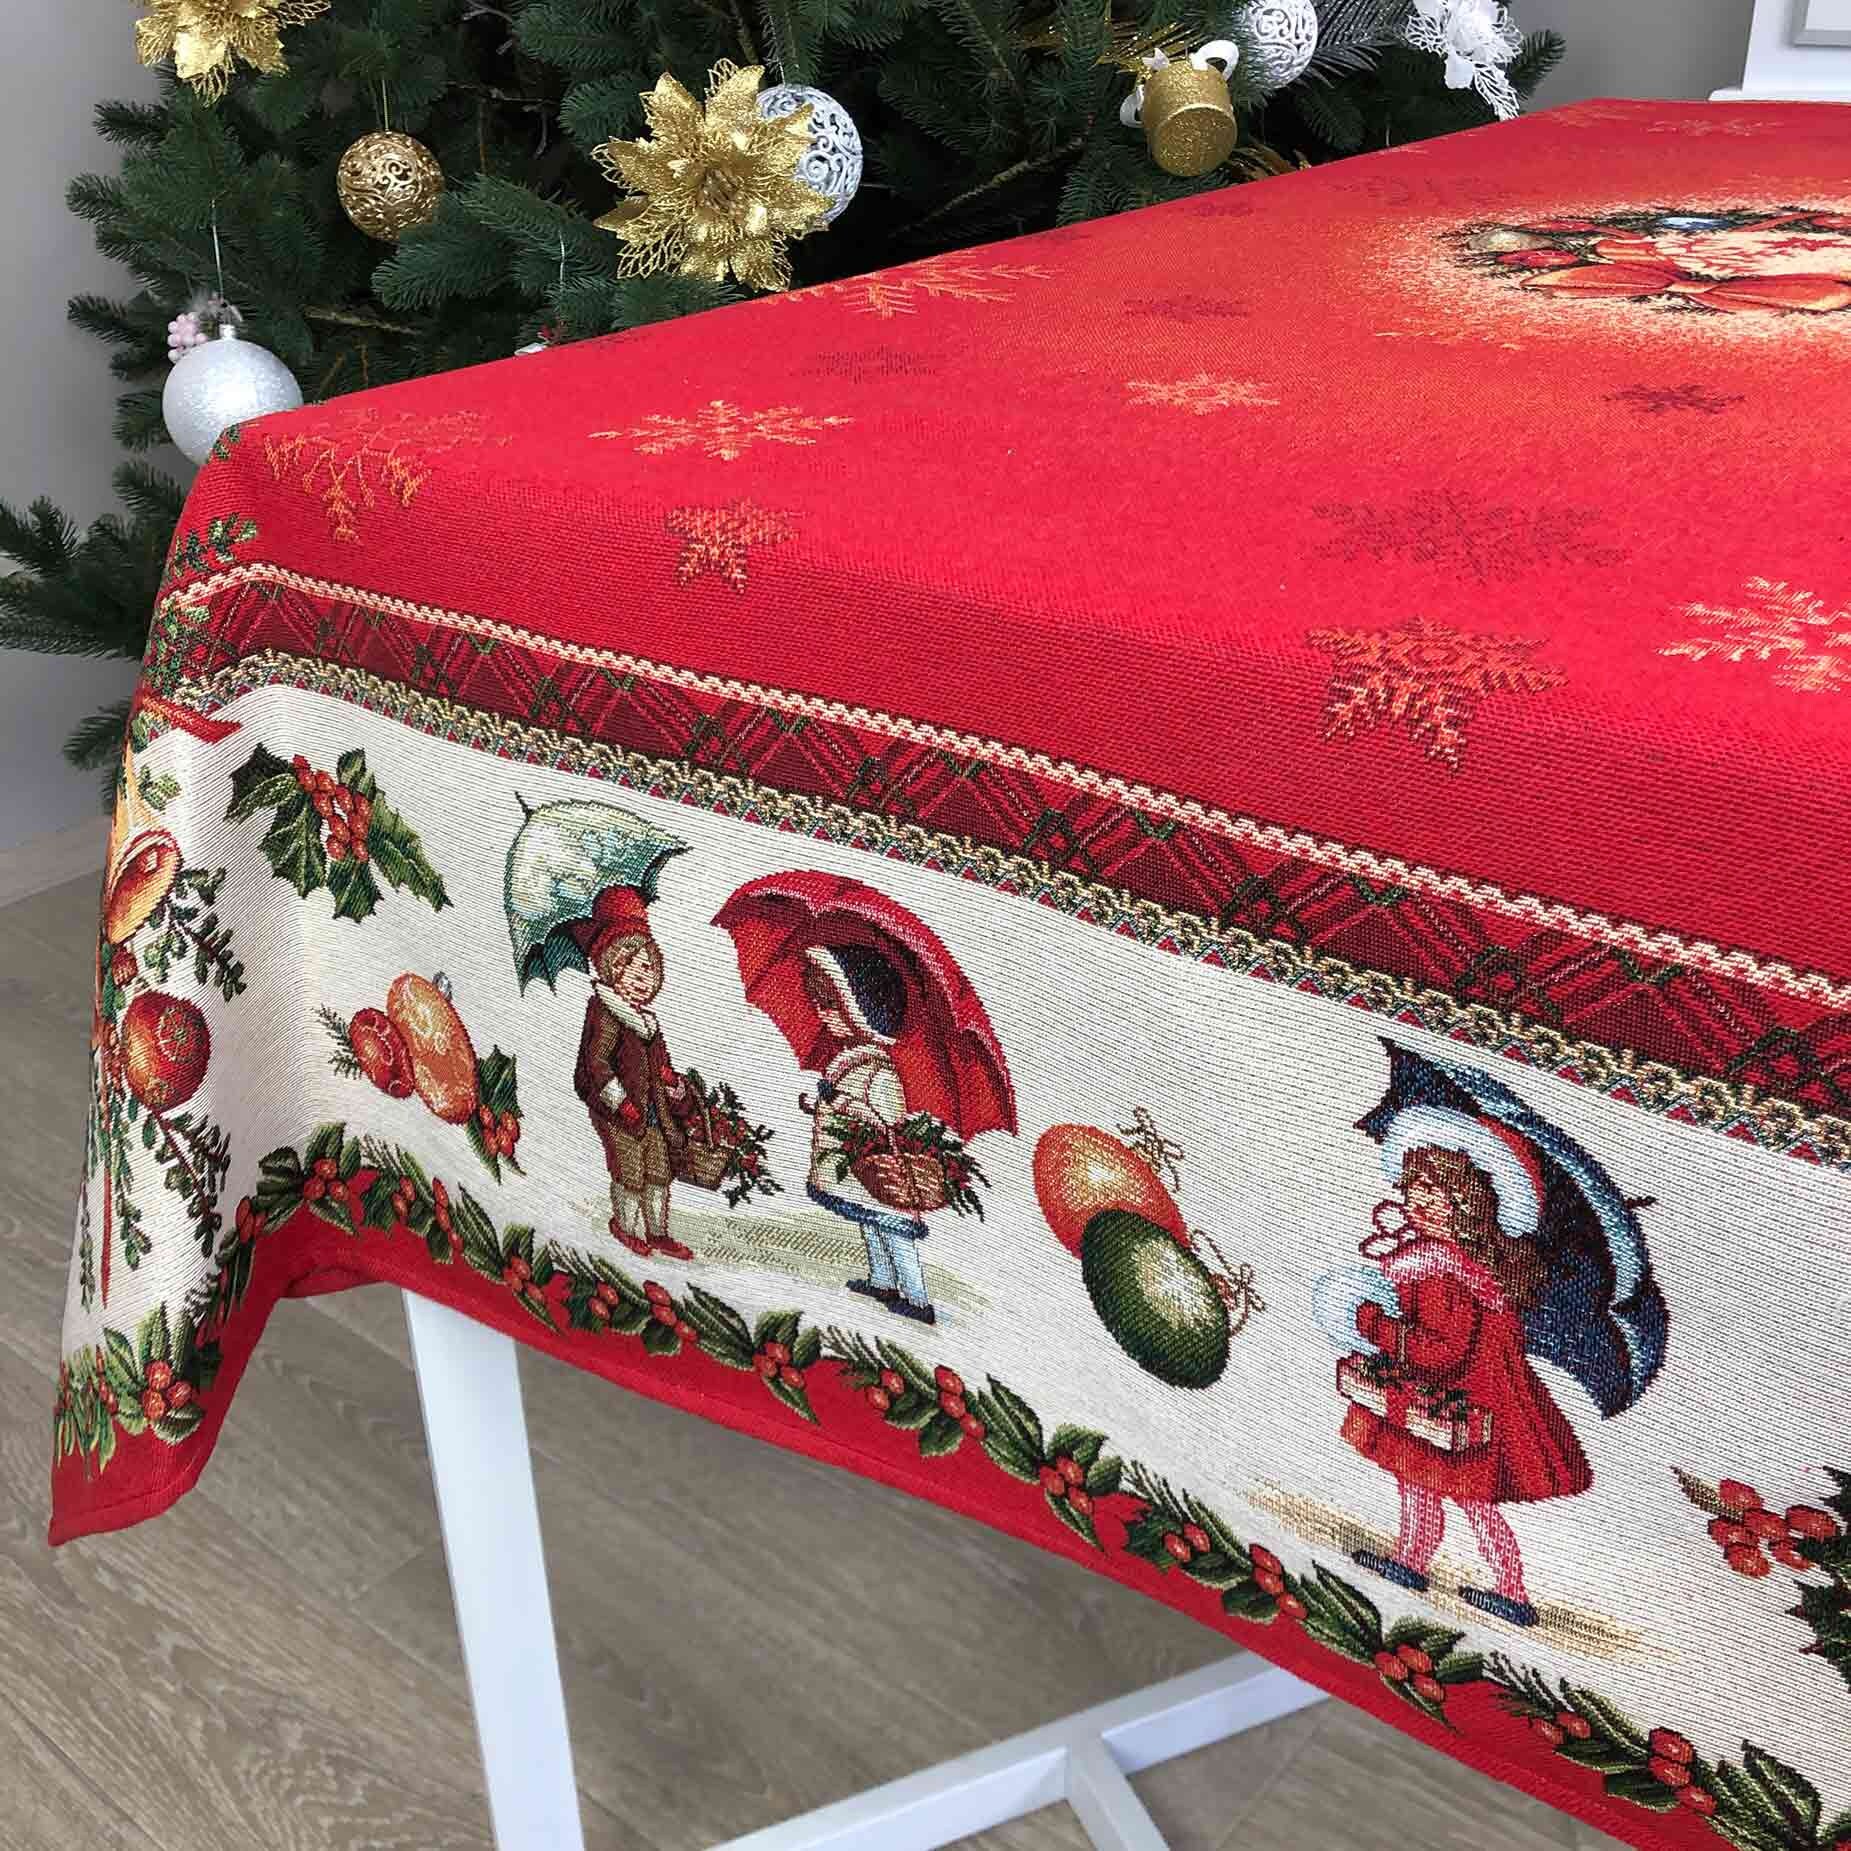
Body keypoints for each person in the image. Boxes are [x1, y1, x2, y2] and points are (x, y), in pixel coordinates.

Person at [1342, 1116, 1591, 1629]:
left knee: (1469, 1499)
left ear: (1466, 1205)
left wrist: (1376, 1327)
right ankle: (1410, 1562)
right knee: (1420, 1484)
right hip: (1446, 1399)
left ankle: (1511, 1593)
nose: (1416, 1202)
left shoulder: (1442, 1272)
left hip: (1461, 1401)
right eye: (1412, 1190)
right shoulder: (1451, 1264)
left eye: (1432, 1193)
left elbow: (1440, 1350)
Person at [801, 943, 938, 1324]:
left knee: (894, 1232)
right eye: (820, 1002)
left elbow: (889, 1121)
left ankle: (915, 1297)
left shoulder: (881, 1070)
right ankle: (881, 1281)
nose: (823, 1013)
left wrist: (850, 1108)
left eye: (831, 1003)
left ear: (862, 1010)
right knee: (870, 1224)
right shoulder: (849, 1060)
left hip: (879, 1170)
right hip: (856, 1172)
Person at [573, 886, 695, 1260]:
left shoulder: (647, 1023)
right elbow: (597, 1064)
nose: (646, 977)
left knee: (659, 1169)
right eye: (637, 967)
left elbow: (661, 1067)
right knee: (630, 1169)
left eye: (651, 968)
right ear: (614, 965)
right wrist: (619, 1101)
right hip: (619, 1112)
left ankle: (657, 1231)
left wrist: (675, 1088)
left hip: (652, 1112)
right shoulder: (607, 1013)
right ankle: (624, 1226)